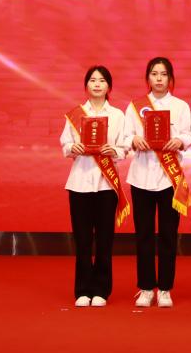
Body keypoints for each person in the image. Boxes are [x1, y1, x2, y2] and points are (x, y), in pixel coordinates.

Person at [59, 65, 130, 308]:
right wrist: (73, 148)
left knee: (104, 240)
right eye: (92, 80)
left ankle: (101, 289)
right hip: (79, 183)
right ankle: (82, 290)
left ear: (109, 86)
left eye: (102, 80)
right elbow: (65, 144)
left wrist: (114, 150)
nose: (97, 84)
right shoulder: (75, 115)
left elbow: (125, 147)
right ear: (86, 85)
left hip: (106, 186)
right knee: (82, 240)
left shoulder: (118, 116)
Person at [125, 57, 191, 308]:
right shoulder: (135, 107)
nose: (159, 79)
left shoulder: (180, 106)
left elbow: (189, 134)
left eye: (164, 74)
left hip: (169, 179)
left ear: (170, 78)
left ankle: (164, 288)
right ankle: (145, 288)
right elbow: (124, 137)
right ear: (148, 78)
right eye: (154, 74)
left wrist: (181, 141)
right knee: (143, 234)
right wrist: (133, 140)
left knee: (168, 235)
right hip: (141, 177)